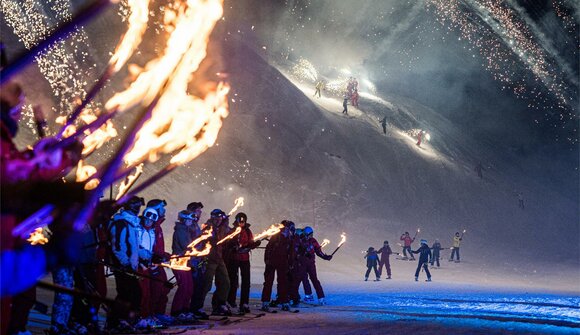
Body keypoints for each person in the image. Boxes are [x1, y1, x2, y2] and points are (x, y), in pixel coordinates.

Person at [107, 196, 144, 330]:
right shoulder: (121, 223)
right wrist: (125, 263)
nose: (139, 209)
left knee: (131, 294)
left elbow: (134, 246)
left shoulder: (132, 223)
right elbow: (117, 246)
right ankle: (117, 321)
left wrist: (150, 255)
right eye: (137, 206)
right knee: (128, 294)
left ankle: (123, 320)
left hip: (129, 266)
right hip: (122, 267)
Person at [225, 212, 260, 314]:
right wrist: (232, 246)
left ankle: (244, 303)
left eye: (243, 221)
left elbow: (250, 243)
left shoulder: (248, 231)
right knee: (233, 281)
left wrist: (254, 244)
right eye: (239, 221)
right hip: (234, 259)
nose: (241, 223)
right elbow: (227, 243)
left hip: (244, 259)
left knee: (246, 281)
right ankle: (230, 301)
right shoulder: (232, 231)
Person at [199, 209, 232, 316]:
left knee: (225, 282)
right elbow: (202, 241)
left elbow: (230, 234)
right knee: (206, 284)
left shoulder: (223, 227)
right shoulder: (208, 227)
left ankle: (219, 304)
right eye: (216, 218)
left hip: (219, 258)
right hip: (209, 259)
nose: (218, 220)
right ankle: (197, 306)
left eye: (220, 218)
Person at [145, 199, 172, 320]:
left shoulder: (157, 226)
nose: (164, 210)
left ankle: (158, 312)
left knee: (164, 287)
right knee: (154, 290)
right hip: (151, 263)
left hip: (158, 261)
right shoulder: (151, 226)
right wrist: (157, 256)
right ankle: (149, 314)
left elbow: (157, 246)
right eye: (161, 207)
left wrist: (164, 254)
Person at [261, 220, 295, 312]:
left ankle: (284, 302)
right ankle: (266, 302)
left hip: (282, 263)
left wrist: (290, 263)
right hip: (272, 262)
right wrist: (267, 260)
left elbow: (291, 253)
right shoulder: (276, 237)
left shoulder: (289, 239)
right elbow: (268, 249)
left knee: (283, 282)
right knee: (269, 282)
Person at [170, 210, 198, 319]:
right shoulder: (181, 231)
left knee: (189, 286)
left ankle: (185, 309)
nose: (191, 222)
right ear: (184, 219)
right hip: (179, 262)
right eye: (189, 220)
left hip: (185, 262)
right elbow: (186, 246)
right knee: (183, 286)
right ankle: (177, 311)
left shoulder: (186, 230)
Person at [185, 202, 206, 319]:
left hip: (198, 259)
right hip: (192, 260)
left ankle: (196, 308)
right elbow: (188, 243)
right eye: (198, 211)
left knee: (199, 285)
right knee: (193, 286)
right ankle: (192, 309)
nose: (200, 213)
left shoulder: (196, 225)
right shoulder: (190, 225)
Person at [302, 226, 332, 305]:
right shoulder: (301, 240)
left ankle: (321, 297)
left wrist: (325, 257)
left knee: (314, 279)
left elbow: (319, 252)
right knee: (304, 279)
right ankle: (309, 296)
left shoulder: (313, 241)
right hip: (302, 263)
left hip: (311, 264)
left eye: (311, 234)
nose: (310, 236)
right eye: (308, 234)